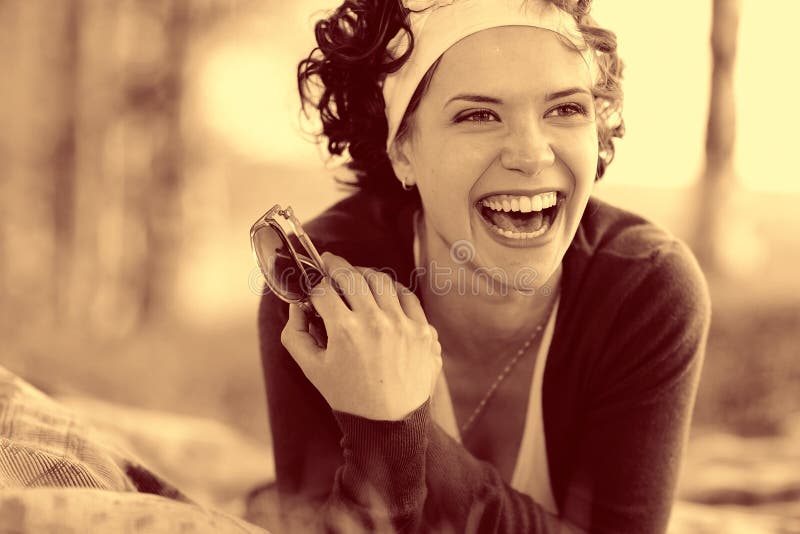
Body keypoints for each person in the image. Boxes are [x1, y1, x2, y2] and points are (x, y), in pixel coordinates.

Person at [255, 0, 711, 532]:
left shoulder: (647, 289)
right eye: (478, 115)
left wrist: (398, 430)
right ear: (402, 149)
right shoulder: (325, 300)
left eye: (565, 109)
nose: (531, 154)